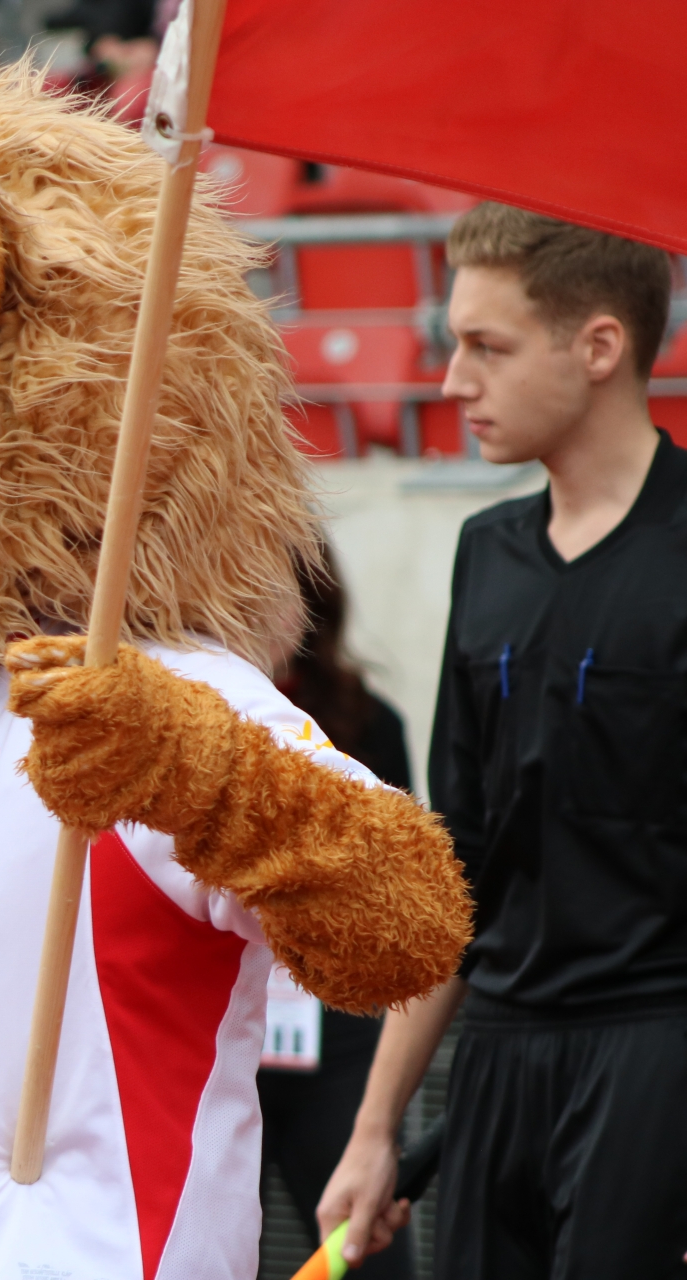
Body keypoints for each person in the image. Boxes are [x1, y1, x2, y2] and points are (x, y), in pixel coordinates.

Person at [317, 203, 686, 1278]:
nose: (451, 382)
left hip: (656, 1052)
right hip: (496, 1058)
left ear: (599, 346)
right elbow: (459, 863)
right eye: (451, 344)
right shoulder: (487, 553)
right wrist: (375, 1128)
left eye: (489, 346)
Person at [258, 541, 416, 1278]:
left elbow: (401, 880)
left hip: (335, 1036)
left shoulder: (365, 718)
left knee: (362, 1253)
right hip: (226, 1034)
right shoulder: (187, 713)